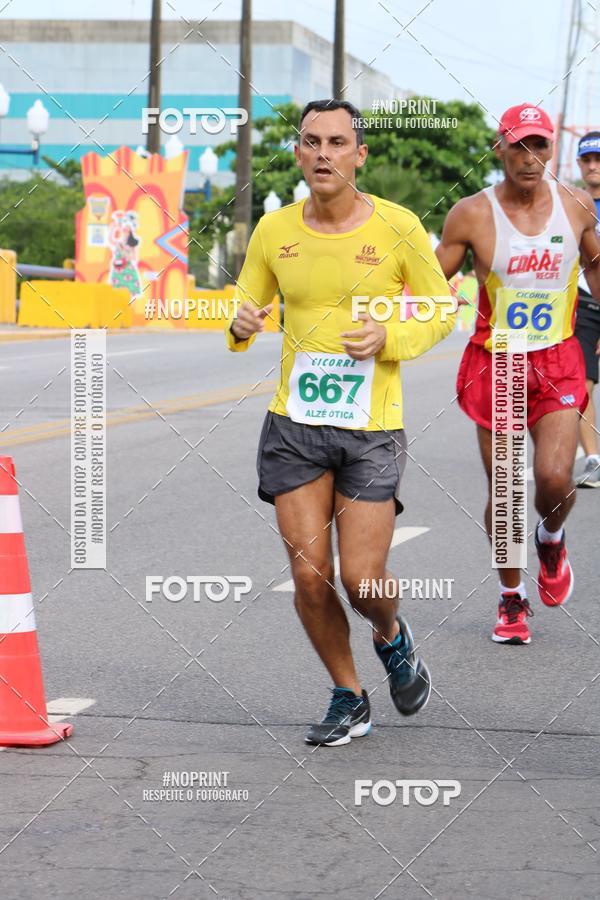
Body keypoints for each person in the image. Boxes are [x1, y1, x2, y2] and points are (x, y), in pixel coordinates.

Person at [226, 99, 455, 746]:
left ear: (360, 154)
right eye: (310, 141)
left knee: (363, 580)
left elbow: (442, 310)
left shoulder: (399, 226)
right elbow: (247, 303)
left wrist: (391, 336)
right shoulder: (274, 231)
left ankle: (391, 633)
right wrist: (240, 324)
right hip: (294, 424)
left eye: (336, 142)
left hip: (371, 426)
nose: (323, 152)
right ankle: (348, 693)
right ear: (298, 153)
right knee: (307, 573)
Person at [435, 103, 600, 645]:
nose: (530, 159)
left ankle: (550, 536)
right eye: (519, 146)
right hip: (498, 360)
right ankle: (511, 598)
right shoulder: (470, 214)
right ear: (499, 148)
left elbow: (594, 261)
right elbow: (431, 280)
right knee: (506, 490)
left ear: (552, 149)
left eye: (540, 146)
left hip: (557, 357)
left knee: (555, 477)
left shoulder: (576, 206)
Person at [574, 132, 600, 488]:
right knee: (581, 385)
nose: (593, 166)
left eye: (599, 159)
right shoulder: (571, 203)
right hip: (582, 305)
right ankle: (593, 459)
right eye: (587, 160)